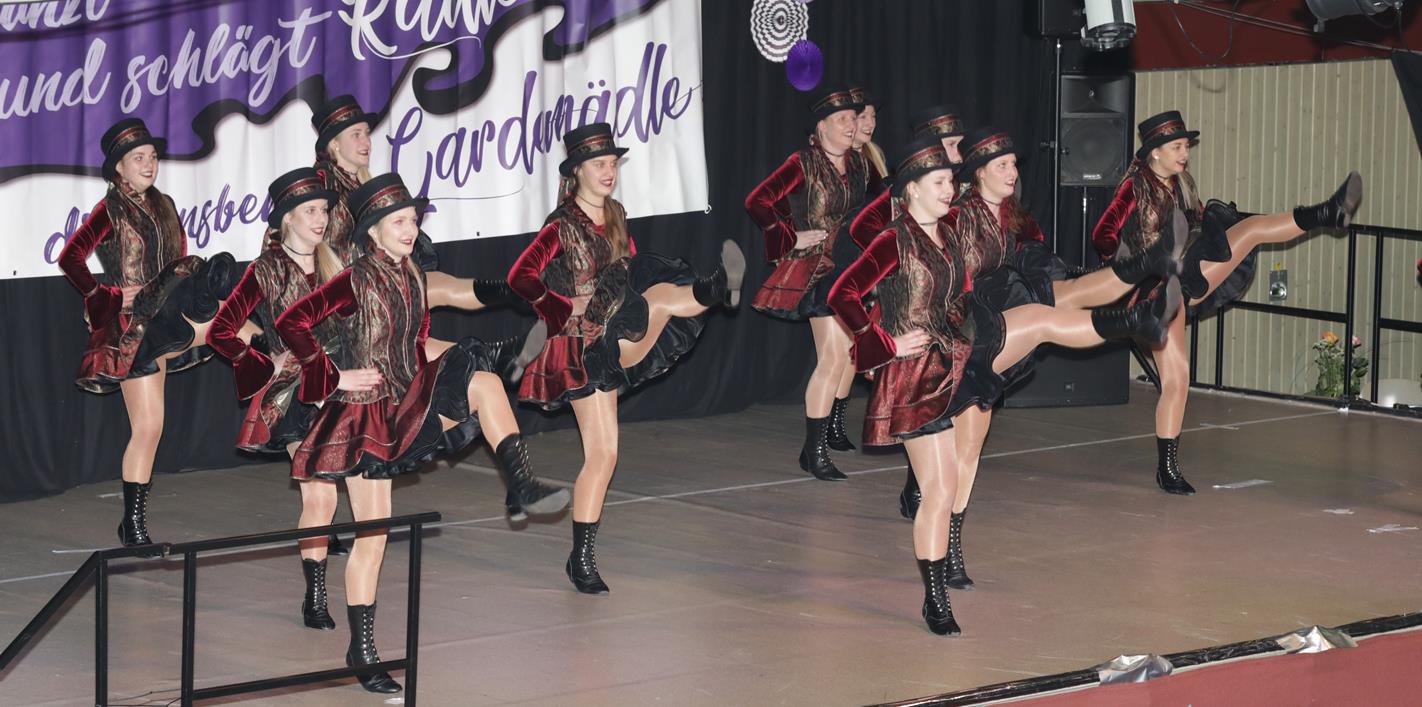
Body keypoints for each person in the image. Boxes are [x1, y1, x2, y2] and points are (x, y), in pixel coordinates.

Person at [509, 123, 744, 594]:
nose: (609, 171)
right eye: (599, 164)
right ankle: (581, 558)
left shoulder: (615, 213)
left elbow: (631, 270)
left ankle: (712, 289)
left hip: (617, 327)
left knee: (657, 294)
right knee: (604, 454)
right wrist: (561, 304)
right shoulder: (560, 225)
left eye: (613, 163)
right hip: (580, 346)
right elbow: (521, 276)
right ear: (576, 172)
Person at [1093, 111, 1362, 494]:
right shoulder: (1133, 188)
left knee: (1249, 229)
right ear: (1154, 152)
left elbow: (1196, 220)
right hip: (1152, 289)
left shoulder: (1180, 183)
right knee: (1177, 381)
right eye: (1177, 147)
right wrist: (1127, 264)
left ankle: (1327, 213)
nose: (1185, 153)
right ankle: (1166, 469)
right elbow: (1102, 233)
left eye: (1186, 146)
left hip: (1183, 273)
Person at [57, 118, 240, 549]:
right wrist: (105, 295)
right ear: (119, 167)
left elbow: (178, 259)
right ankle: (133, 525)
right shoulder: (110, 210)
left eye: (153, 156)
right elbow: (70, 258)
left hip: (170, 310)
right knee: (149, 428)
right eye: (138, 158)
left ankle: (267, 351)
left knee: (218, 309)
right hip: (134, 326)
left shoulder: (166, 204)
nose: (148, 164)